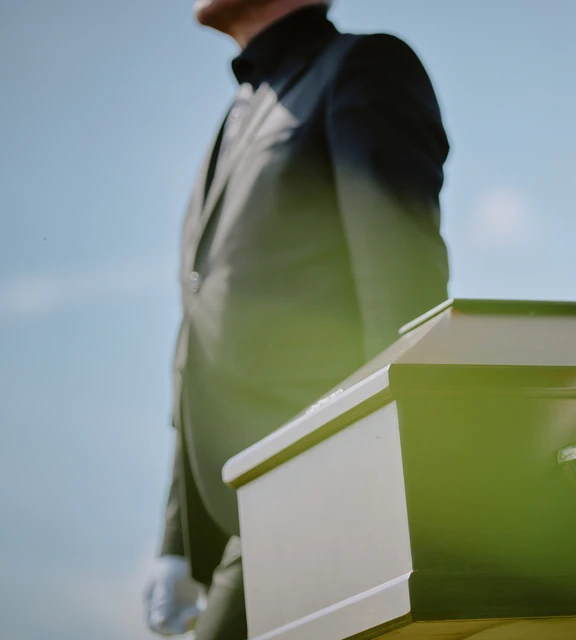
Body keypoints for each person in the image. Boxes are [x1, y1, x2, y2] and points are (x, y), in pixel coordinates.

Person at [141, 1, 451, 638]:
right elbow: (197, 351)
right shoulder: (236, 116)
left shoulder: (364, 68)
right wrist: (175, 540)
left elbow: (401, 295)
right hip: (243, 504)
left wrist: (375, 482)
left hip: (320, 483)